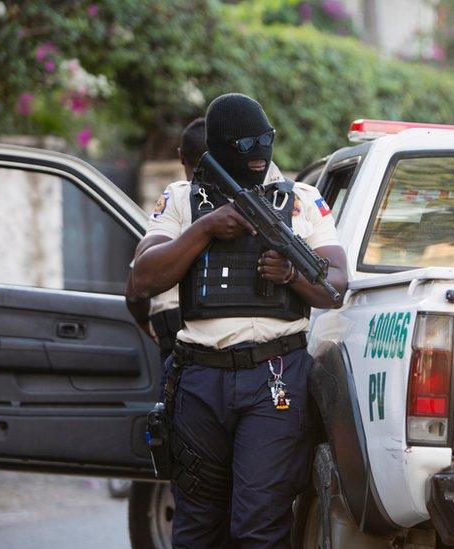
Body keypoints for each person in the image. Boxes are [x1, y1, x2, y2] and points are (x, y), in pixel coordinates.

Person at [131, 93, 347, 548]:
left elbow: (336, 285)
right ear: (220, 146)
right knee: (196, 525)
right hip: (199, 378)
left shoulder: (302, 200)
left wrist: (290, 274)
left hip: (275, 377)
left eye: (264, 140)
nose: (258, 151)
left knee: (259, 525)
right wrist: (204, 229)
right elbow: (144, 278)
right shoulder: (182, 199)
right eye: (246, 142)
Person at [125, 118, 285, 360]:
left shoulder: (178, 200)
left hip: (174, 334)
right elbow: (140, 281)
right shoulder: (182, 198)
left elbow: (134, 293)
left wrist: (146, 328)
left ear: (181, 156)